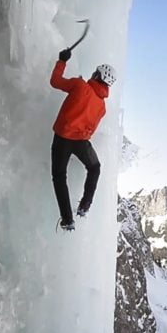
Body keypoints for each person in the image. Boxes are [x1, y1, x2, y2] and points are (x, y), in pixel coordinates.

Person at [49, 47, 117, 231]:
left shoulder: (80, 86)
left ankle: (67, 219)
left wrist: (62, 60)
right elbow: (91, 129)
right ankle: (84, 207)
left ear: (97, 75)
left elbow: (55, 82)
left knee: (59, 176)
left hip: (62, 138)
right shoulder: (102, 106)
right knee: (94, 168)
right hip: (81, 143)